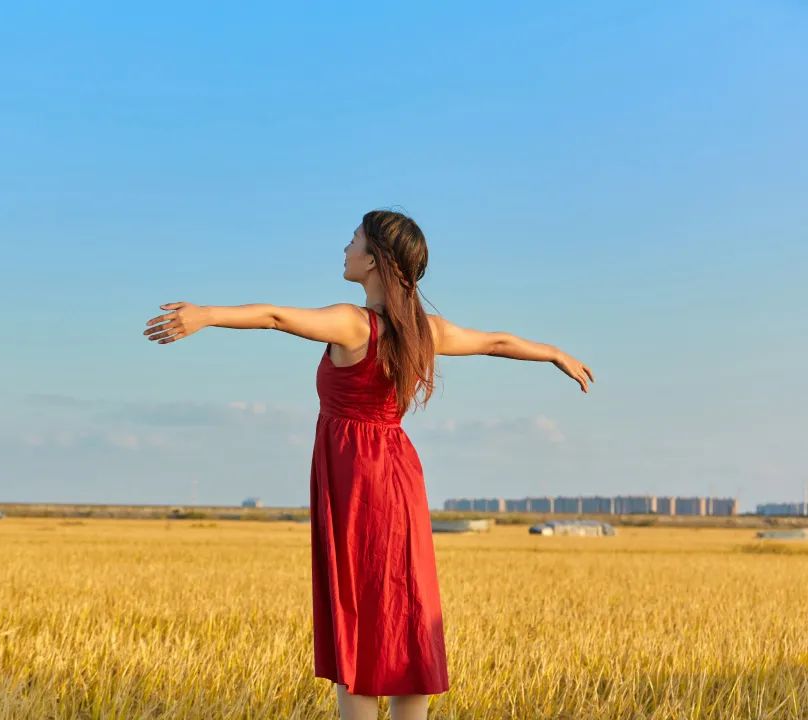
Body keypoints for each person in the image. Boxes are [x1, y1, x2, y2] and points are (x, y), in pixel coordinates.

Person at [143, 209, 594, 720]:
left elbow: (274, 317)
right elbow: (495, 343)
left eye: (353, 240)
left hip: (357, 481)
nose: (345, 248)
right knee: (406, 604)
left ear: (376, 259)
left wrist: (205, 314)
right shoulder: (427, 331)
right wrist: (555, 353)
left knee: (356, 614)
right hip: (399, 476)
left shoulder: (353, 324)